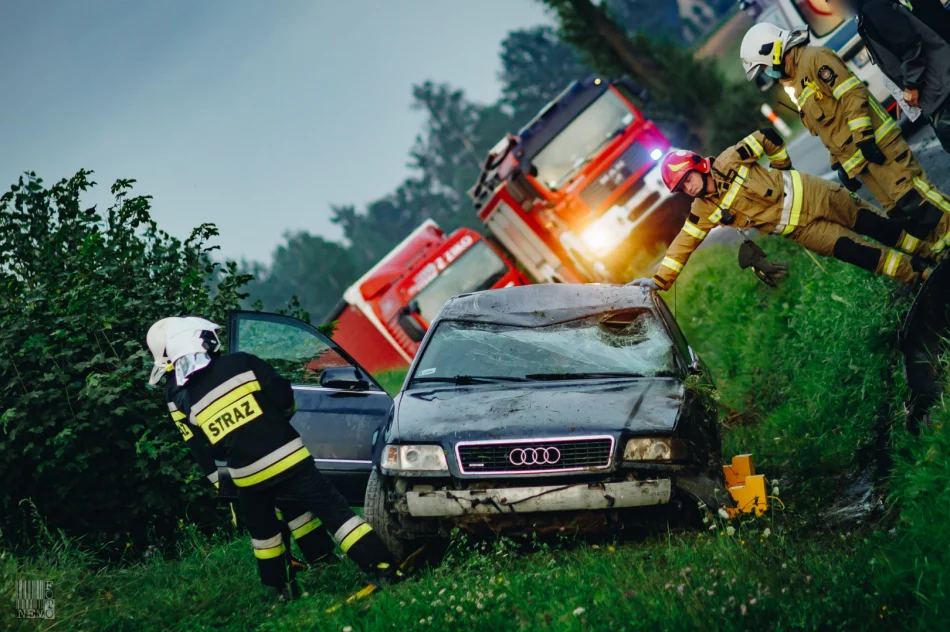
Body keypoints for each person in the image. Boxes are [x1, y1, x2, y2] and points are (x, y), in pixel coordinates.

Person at [150, 317, 403, 601]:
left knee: (264, 535)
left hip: (246, 476)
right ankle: (381, 567)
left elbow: (207, 445)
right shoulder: (242, 362)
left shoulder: (189, 397)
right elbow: (283, 396)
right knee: (336, 513)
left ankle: (281, 590)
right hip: (289, 460)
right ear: (205, 341)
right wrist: (279, 418)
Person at [629, 130, 944, 291]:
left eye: (687, 179)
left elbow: (767, 136)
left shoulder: (730, 159)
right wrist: (659, 281)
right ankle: (921, 276)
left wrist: (783, 169)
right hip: (804, 231)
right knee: (858, 253)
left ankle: (932, 253)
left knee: (877, 226)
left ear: (698, 166)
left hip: (818, 195)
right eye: (681, 187)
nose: (688, 187)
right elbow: (682, 244)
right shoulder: (703, 211)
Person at [146, 318, 339, 580]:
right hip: (231, 463)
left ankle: (317, 559)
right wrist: (221, 478)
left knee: (288, 506)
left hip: (230, 461)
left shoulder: (179, 382)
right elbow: (200, 437)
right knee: (270, 517)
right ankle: (295, 566)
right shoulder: (181, 387)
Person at [740, 22, 950, 242]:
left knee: (919, 203)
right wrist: (839, 164)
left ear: (772, 52)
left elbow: (852, 96)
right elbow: (827, 128)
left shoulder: (815, 58)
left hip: (879, 146)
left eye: (763, 67)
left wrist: (864, 139)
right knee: (904, 218)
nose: (768, 73)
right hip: (862, 161)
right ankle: (942, 251)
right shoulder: (797, 83)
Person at [830, 0, 950, 153]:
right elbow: (894, 57)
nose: (833, 8)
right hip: (936, 90)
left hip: (940, 88)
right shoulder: (867, 13)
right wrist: (901, 90)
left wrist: (912, 85)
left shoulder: (874, 9)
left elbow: (910, 46)